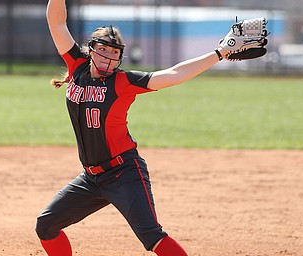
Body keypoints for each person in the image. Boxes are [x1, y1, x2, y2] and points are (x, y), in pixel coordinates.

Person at [35, 1, 232, 256]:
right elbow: (57, 21)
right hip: (90, 178)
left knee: (152, 237)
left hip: (124, 172)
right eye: (103, 49)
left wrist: (219, 53)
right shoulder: (78, 66)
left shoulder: (123, 81)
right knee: (46, 225)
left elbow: (174, 74)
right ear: (90, 49)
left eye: (115, 52)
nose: (108, 56)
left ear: (121, 57)